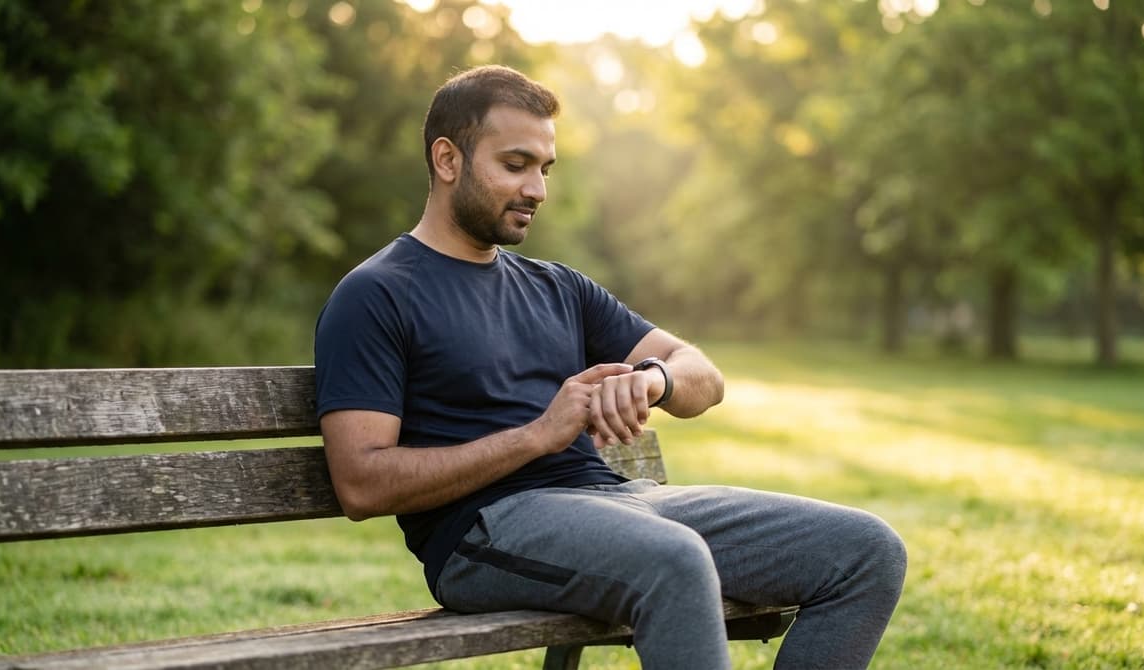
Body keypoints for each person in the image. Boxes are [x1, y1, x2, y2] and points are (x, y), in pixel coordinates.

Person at [314, 64, 906, 669]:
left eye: (544, 170)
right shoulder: (377, 294)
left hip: (621, 503)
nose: (537, 190)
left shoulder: (558, 287)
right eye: (515, 165)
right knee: (672, 558)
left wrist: (654, 377)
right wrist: (536, 437)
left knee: (864, 550)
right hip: (485, 532)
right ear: (447, 160)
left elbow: (703, 374)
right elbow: (361, 483)